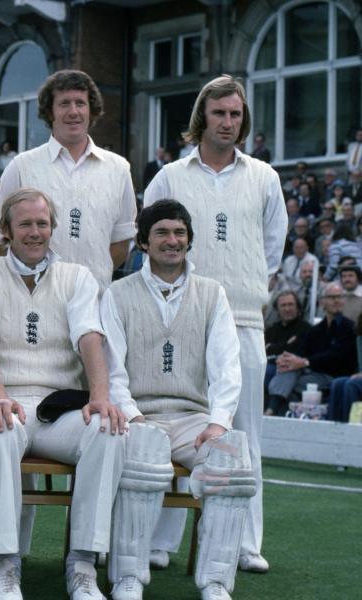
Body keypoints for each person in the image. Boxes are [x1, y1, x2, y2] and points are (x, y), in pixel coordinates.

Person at [143, 74, 286, 573]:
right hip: (181, 318)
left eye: (236, 114)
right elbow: (153, 239)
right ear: (202, 116)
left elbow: (272, 249)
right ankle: (161, 540)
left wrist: (242, 292)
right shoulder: (169, 177)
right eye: (220, 112)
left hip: (244, 320)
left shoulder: (265, 177)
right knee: (177, 427)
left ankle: (245, 542)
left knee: (245, 433)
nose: (228, 122)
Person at [0, 188, 125, 600]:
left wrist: (102, 397)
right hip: (6, 402)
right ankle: (5, 564)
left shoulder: (78, 277)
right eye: (25, 224)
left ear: (52, 227)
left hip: (59, 410)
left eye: (42, 223)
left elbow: (89, 335)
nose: (35, 232)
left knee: (107, 429)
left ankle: (83, 564)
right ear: (5, 231)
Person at [101, 199, 253, 600]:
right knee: (143, 456)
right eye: (163, 233)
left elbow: (226, 365)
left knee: (231, 457)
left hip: (192, 417)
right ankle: (128, 576)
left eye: (180, 233)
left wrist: (219, 423)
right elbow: (111, 370)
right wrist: (133, 418)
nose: (173, 241)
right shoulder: (117, 293)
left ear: (190, 239)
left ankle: (217, 582)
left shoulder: (212, 293)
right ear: (143, 243)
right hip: (137, 416)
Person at [0, 70, 137, 292]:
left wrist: (87, 281)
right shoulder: (21, 167)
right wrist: (27, 283)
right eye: (64, 103)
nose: (73, 111)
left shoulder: (119, 169)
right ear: (50, 112)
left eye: (80, 103)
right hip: (34, 302)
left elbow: (121, 244)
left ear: (91, 110)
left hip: (95, 305)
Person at [265, 282, 357, 415]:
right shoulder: (316, 329)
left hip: (332, 375)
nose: (336, 300)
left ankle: (272, 411)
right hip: (312, 372)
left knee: (293, 382)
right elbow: (301, 350)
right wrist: (288, 360)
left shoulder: (349, 328)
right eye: (331, 297)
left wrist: (305, 362)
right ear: (322, 302)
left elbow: (336, 355)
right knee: (287, 369)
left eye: (339, 297)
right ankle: (273, 412)